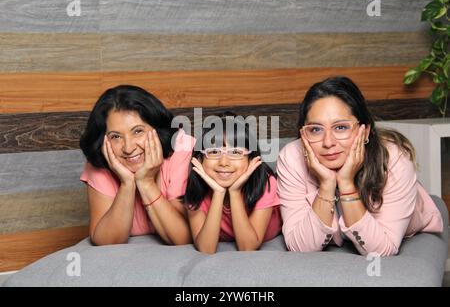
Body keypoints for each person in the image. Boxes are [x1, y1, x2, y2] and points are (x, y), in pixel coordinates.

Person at [277, 76, 443, 256]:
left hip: (408, 217)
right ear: (303, 133)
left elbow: (381, 249)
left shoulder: (395, 159)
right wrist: (327, 185)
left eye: (341, 127)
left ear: (365, 131)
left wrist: (346, 184)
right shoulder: (292, 156)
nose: (328, 142)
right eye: (316, 129)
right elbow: (300, 248)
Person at [79, 85, 195, 246]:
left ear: (156, 128)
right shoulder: (101, 162)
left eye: (138, 131)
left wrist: (146, 182)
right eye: (116, 136)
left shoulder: (181, 148)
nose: (128, 148)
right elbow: (106, 242)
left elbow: (182, 238)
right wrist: (127, 183)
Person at [183, 112, 281, 254]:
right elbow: (206, 248)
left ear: (251, 158)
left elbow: (248, 247)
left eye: (235, 152)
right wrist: (218, 193)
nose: (224, 162)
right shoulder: (195, 184)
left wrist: (234, 192)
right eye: (214, 151)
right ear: (200, 158)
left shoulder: (264, 181)